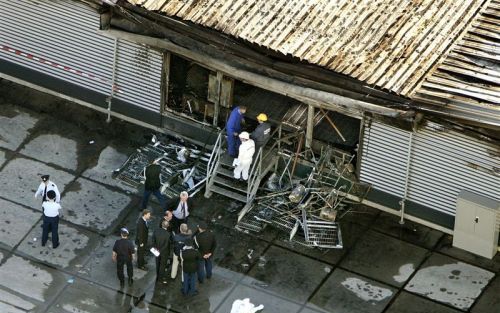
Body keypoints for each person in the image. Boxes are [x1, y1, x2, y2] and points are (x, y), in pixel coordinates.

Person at [152, 220, 171, 284]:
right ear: (167, 226)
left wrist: (156, 249)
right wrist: (160, 250)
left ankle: (156, 276)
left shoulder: (156, 231)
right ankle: (160, 278)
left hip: (156, 250)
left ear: (162, 225)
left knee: (157, 263)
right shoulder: (168, 234)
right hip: (164, 252)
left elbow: (153, 240)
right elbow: (166, 245)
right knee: (162, 265)